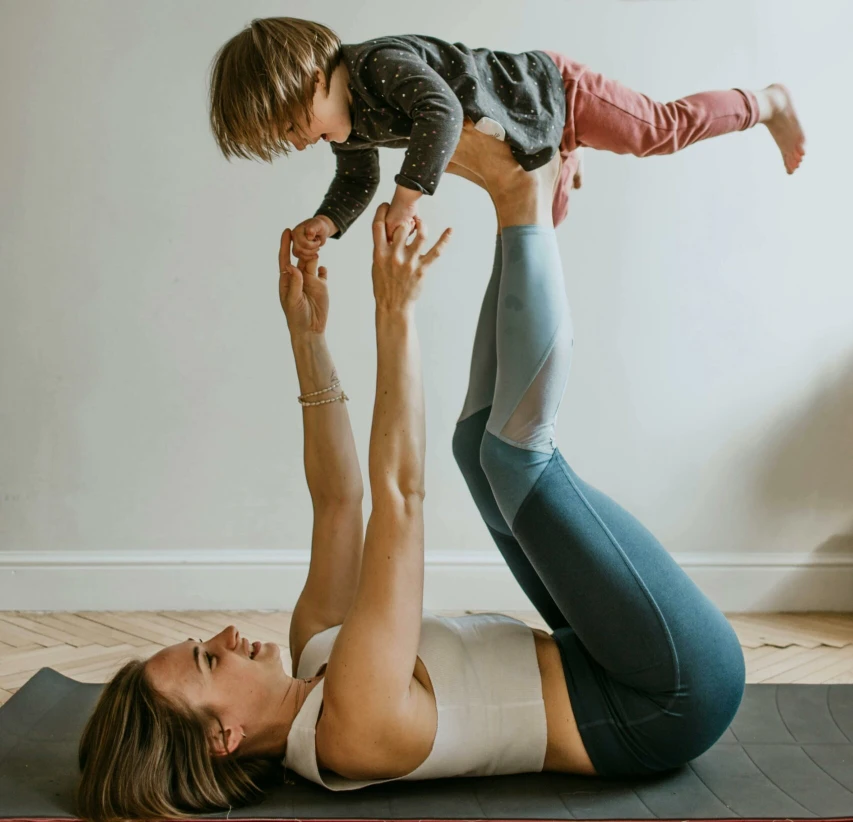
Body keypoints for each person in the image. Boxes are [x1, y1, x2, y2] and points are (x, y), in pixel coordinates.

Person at [75, 125, 745, 821]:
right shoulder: (351, 728)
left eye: (203, 645)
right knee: (515, 459)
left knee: (475, 449)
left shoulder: (315, 649)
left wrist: (307, 339)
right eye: (209, 661)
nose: (223, 638)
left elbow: (339, 500)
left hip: (598, 657)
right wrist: (395, 313)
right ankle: (523, 197)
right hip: (666, 698)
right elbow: (400, 499)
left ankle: (526, 208)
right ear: (224, 738)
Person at [208, 16, 805, 251]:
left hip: (555, 91)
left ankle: (765, 103)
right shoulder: (349, 128)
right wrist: (329, 221)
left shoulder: (377, 65)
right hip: (527, 136)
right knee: (545, 226)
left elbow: (441, 112)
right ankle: (566, 153)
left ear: (315, 79)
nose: (297, 142)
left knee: (657, 130)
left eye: (294, 125)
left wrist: (407, 199)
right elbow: (357, 177)